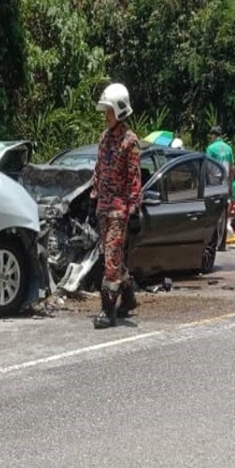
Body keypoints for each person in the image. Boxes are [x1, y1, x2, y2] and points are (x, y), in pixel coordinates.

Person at [90, 83, 141, 329]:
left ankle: (107, 310)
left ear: (120, 110)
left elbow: (134, 177)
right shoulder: (104, 138)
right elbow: (98, 170)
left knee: (111, 258)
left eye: (109, 111)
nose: (106, 116)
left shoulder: (130, 142)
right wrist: (93, 195)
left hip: (120, 211)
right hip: (103, 207)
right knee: (112, 257)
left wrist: (135, 208)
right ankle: (129, 297)